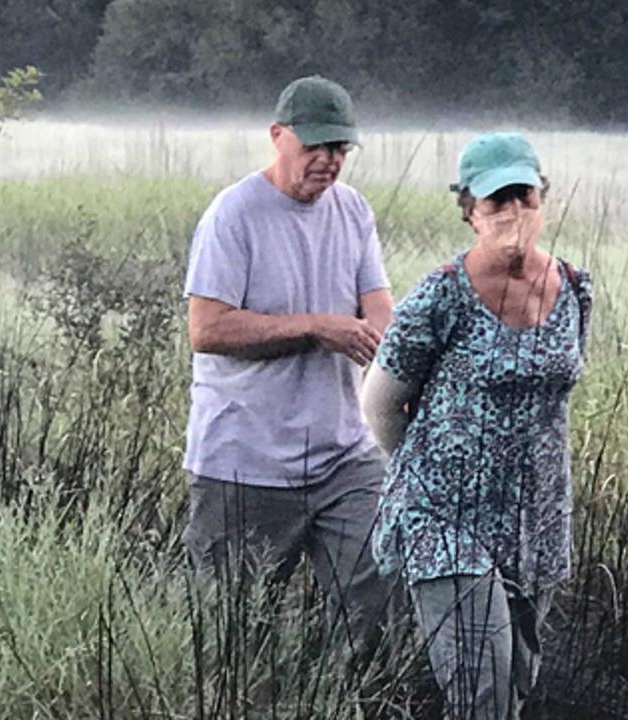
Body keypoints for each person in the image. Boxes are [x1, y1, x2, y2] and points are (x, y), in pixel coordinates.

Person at [361, 132, 592, 719]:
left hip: (537, 520)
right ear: (470, 212)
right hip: (446, 520)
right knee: (481, 693)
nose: (514, 213)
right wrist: (431, 474)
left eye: (525, 197)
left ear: (544, 198)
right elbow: (382, 404)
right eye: (497, 202)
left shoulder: (574, 289)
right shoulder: (440, 296)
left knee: (514, 684)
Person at [180, 75, 394, 653]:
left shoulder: (353, 212)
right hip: (244, 462)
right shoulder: (234, 215)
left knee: (379, 586)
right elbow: (207, 328)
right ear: (278, 136)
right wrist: (315, 327)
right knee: (228, 632)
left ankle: (328, 693)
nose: (328, 161)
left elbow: (380, 313)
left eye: (340, 149)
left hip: (344, 455)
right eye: (316, 147)